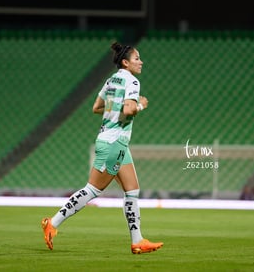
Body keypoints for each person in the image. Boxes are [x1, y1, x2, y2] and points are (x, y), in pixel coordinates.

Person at [41, 42, 163, 254]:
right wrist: (140, 105)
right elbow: (129, 109)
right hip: (113, 143)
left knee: (132, 190)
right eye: (137, 59)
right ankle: (52, 222)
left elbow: (96, 107)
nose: (141, 62)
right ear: (125, 62)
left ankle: (137, 241)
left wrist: (116, 111)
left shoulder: (110, 80)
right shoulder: (132, 81)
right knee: (93, 189)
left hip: (115, 141)